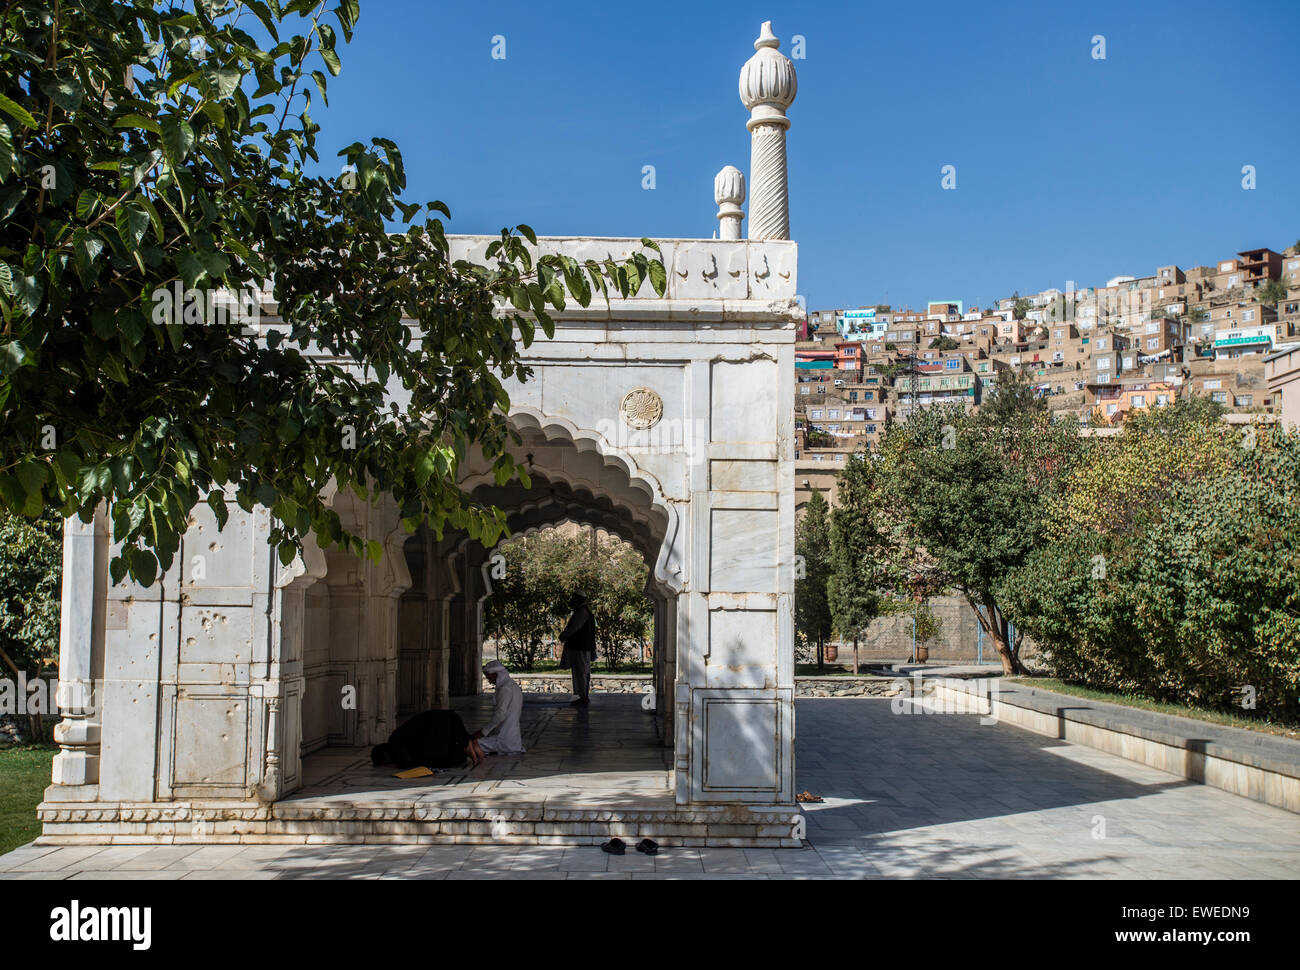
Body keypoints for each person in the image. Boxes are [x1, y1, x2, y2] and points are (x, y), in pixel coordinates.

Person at [371, 708, 483, 771]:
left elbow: (405, 762)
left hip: (445, 723)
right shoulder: (397, 737)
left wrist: (397, 764)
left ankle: (468, 742)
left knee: (437, 757)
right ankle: (469, 742)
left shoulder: (395, 741)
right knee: (451, 756)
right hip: (450, 719)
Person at [473, 660, 525, 753]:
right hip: (513, 739)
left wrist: (483, 732)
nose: (489, 681)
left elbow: (500, 715)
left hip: (504, 740)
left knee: (470, 744)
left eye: (489, 677)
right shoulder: (512, 685)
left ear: (496, 674)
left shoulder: (506, 689)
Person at [557, 591, 597, 706]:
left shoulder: (582, 612)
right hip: (580, 647)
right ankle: (580, 696)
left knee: (582, 672)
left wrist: (564, 635)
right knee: (579, 671)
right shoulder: (582, 611)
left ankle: (583, 696)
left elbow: (575, 628)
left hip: (581, 647)